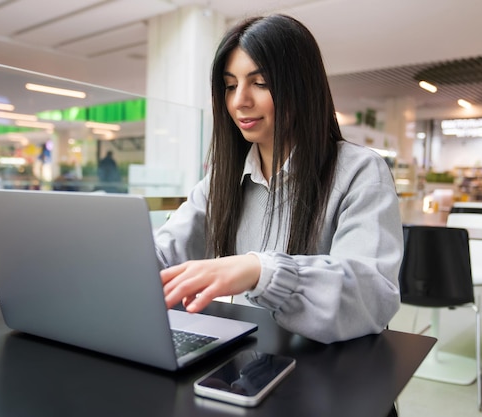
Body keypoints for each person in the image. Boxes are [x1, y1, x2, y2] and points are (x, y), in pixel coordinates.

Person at [155, 14, 403, 345]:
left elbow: (371, 297)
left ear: (301, 87)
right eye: (230, 86)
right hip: (252, 364)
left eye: (260, 83)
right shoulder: (223, 178)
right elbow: (166, 250)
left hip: (332, 374)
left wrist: (261, 271)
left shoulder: (360, 171)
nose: (239, 100)